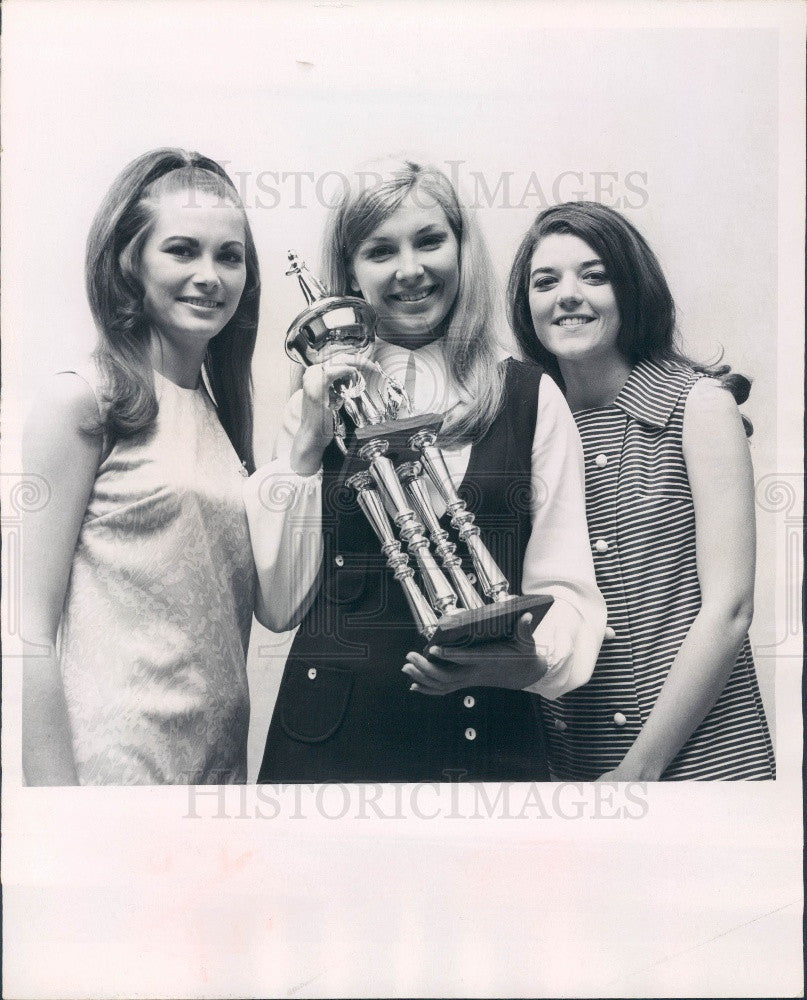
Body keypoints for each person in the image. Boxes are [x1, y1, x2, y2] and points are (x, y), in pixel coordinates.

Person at [247, 159, 605, 783]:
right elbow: (278, 606)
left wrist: (527, 663)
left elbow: (569, 588)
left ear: (462, 252)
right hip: (330, 753)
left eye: (430, 241)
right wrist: (306, 445)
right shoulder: (311, 404)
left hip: (487, 745)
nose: (410, 269)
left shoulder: (529, 395)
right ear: (349, 274)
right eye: (380, 250)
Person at [507, 201, 775, 781]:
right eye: (545, 281)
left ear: (632, 288)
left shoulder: (700, 404)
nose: (567, 295)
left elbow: (729, 610)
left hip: (705, 766)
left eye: (594, 275)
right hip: (576, 768)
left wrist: (640, 770)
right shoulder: (526, 429)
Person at [22, 148, 263, 785]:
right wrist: (56, 815)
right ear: (130, 262)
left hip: (217, 780)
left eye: (229, 255)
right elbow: (24, 629)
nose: (210, 275)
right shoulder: (82, 400)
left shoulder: (221, 419)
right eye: (182, 250)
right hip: (114, 780)